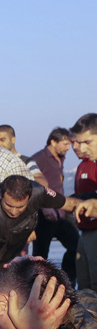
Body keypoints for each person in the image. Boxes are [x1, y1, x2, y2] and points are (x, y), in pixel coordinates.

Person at [0, 175, 80, 281]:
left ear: (29, 198)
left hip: (10, 256)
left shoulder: (39, 192)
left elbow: (70, 204)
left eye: (20, 207)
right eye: (9, 205)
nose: (14, 212)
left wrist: (90, 207)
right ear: (1, 196)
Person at [30, 127, 79, 284]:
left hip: (61, 214)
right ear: (53, 141)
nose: (68, 148)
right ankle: (36, 287)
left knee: (76, 246)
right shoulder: (39, 158)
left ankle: (66, 282)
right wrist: (45, 207)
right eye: (65, 144)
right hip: (44, 215)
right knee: (40, 255)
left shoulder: (60, 157)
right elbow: (33, 185)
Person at [71, 113, 97, 291]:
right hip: (85, 230)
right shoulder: (84, 165)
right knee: (85, 288)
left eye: (87, 142)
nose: (81, 148)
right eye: (79, 142)